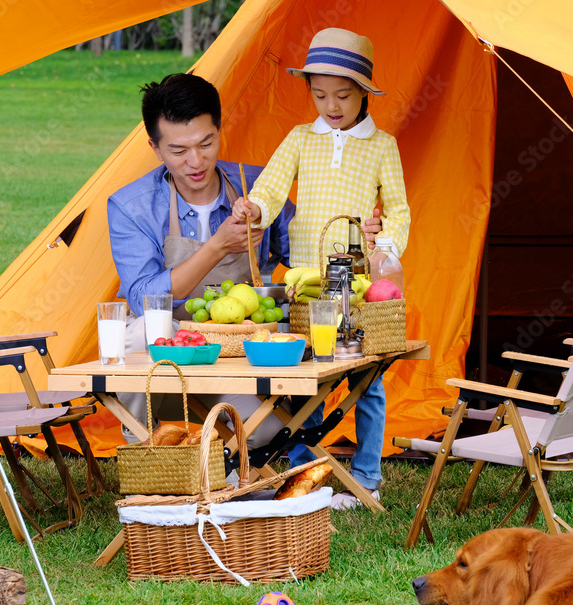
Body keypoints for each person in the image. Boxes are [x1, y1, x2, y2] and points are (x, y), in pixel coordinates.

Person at [107, 72, 382, 478]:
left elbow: (310, 258)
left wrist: (362, 242)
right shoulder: (130, 205)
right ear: (154, 147)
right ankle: (154, 454)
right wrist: (217, 246)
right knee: (138, 328)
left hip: (239, 352)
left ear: (220, 130)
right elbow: (145, 298)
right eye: (179, 150)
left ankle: (229, 467)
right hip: (168, 352)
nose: (196, 161)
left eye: (206, 143)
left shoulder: (258, 187)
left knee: (268, 433)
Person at [233, 28, 410, 508]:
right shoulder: (299, 139)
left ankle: (367, 477)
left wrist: (387, 244)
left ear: (364, 95)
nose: (331, 105)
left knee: (365, 384)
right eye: (320, 94)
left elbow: (397, 208)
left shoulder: (381, 145)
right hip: (306, 283)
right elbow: (270, 188)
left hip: (355, 282)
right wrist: (255, 209)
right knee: (305, 382)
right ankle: (305, 475)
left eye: (344, 96)